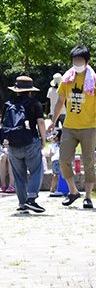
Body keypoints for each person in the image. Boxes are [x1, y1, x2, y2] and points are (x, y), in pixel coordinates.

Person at [50, 45, 95, 208]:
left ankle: (88, 197)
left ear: (87, 61)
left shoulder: (93, 80)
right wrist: (53, 121)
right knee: (63, 159)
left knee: (88, 162)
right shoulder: (67, 78)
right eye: (74, 60)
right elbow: (60, 102)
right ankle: (73, 191)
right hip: (69, 126)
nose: (77, 63)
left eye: (80, 60)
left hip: (89, 126)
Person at [0, 76, 47, 214]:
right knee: (36, 171)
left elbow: (2, 124)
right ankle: (31, 199)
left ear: (16, 90)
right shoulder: (35, 103)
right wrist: (43, 140)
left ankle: (22, 203)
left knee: (19, 176)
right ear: (30, 91)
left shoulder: (8, 104)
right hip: (31, 142)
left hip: (13, 144)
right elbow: (41, 122)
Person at [46, 127, 63, 197]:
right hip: (61, 160)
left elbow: (51, 153)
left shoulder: (54, 145)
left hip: (55, 160)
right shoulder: (63, 144)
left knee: (55, 175)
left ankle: (52, 188)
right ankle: (56, 188)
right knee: (60, 175)